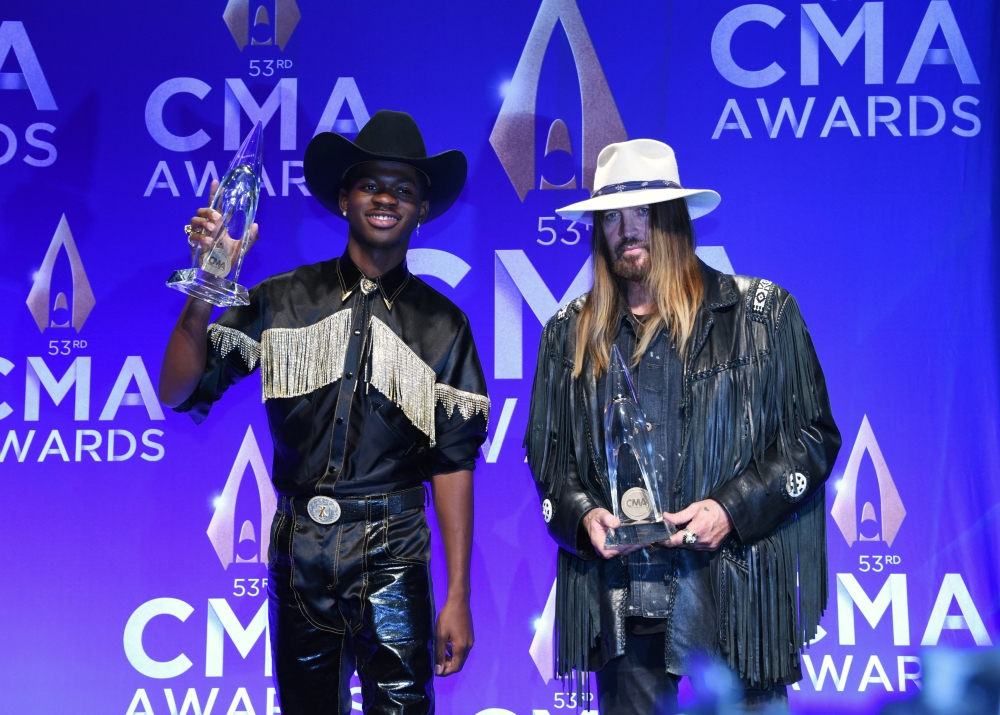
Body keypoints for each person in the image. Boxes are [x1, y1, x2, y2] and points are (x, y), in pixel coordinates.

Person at [159, 110, 489, 715]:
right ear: (344, 199)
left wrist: (459, 593)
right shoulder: (281, 299)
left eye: (405, 189)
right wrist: (206, 289)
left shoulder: (445, 327)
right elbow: (177, 391)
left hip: (394, 552)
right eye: (371, 184)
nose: (386, 197)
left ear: (420, 209)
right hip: (298, 548)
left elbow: (453, 463)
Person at [526, 139, 841, 713]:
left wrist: (731, 508)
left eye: (642, 212)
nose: (627, 230)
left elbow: (812, 439)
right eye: (612, 217)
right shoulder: (567, 335)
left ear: (674, 215)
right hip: (628, 601)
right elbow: (550, 462)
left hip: (737, 594)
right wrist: (584, 514)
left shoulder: (763, 315)